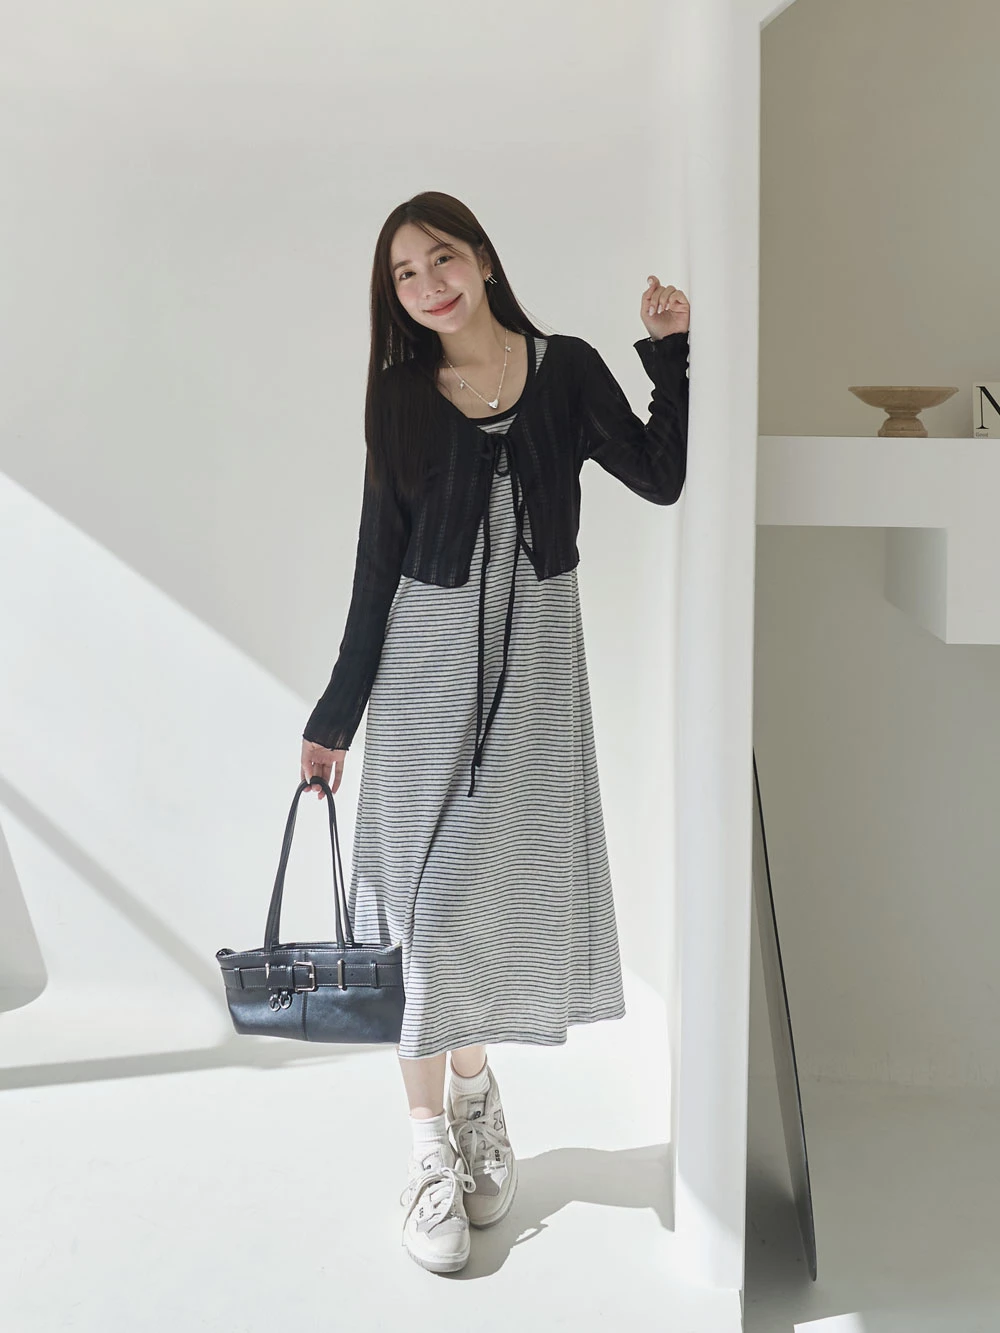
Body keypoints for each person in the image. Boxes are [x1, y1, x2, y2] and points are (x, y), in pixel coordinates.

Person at [299, 191, 690, 1274]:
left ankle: (475, 1095)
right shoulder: (400, 397)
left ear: (479, 257)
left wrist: (671, 353)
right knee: (422, 915)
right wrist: (336, 716)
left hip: (537, 669)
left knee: (479, 901)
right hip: (422, 669)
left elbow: (660, 477)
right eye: (405, 274)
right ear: (394, 297)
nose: (427, 284)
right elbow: (377, 557)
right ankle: (430, 1147)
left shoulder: (566, 370)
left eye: (440, 258)